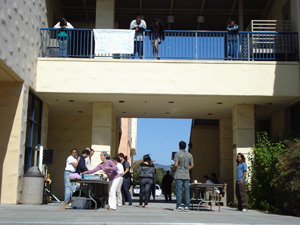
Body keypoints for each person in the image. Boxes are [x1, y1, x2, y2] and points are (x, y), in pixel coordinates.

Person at [173, 141, 194, 212]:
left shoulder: (177, 154)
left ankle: (179, 206)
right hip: (186, 174)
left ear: (179, 146)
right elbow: (192, 165)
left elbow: (176, 164)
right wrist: (187, 168)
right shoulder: (189, 155)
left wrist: (173, 167)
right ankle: (186, 206)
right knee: (187, 191)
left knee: (179, 191)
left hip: (179, 174)